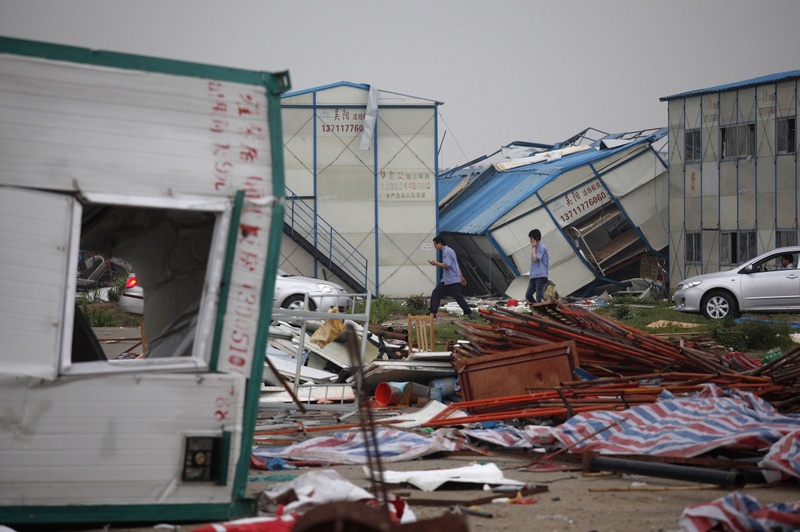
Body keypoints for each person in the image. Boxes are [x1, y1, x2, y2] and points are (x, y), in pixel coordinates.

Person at [427, 235, 474, 319]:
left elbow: (447, 265)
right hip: (448, 279)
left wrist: (436, 263)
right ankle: (432, 312)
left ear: (439, 243)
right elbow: (456, 265)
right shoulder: (450, 250)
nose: (434, 246)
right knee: (437, 293)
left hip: (450, 279)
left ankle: (469, 313)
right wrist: (461, 277)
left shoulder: (446, 252)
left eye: (435, 244)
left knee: (457, 296)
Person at [525, 228, 550, 304]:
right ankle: (538, 309)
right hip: (534, 275)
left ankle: (542, 312)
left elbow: (535, 259)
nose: (530, 240)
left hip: (540, 275)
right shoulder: (536, 248)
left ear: (536, 238)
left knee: (539, 297)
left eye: (531, 238)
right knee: (528, 295)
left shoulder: (541, 247)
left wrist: (533, 247)